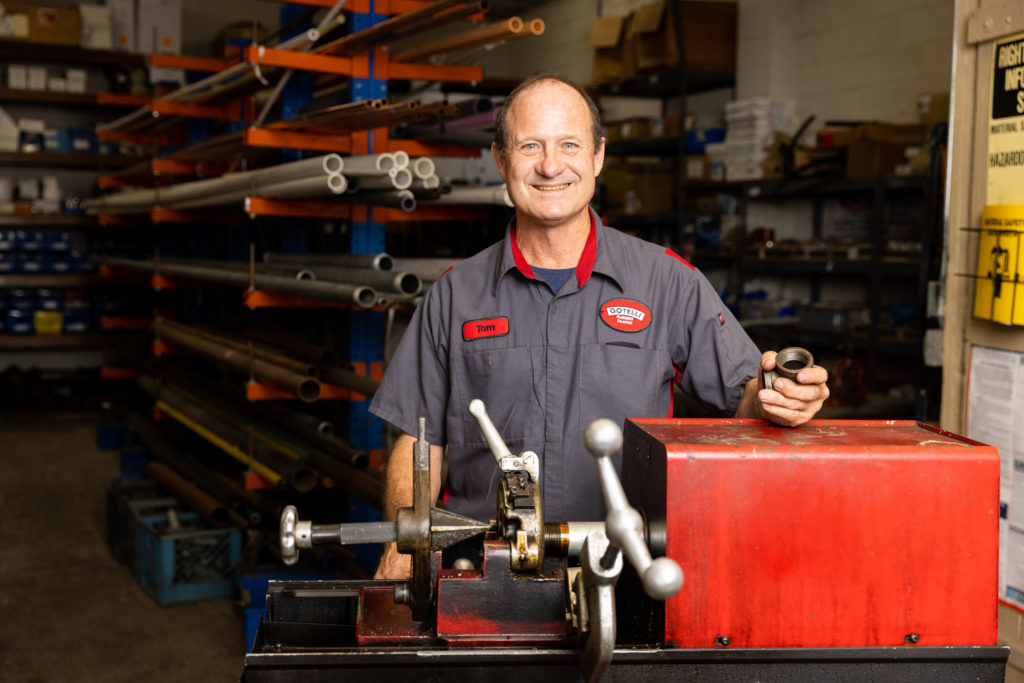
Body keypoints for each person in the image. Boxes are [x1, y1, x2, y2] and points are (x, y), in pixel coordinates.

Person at [369, 73, 829, 580]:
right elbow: (419, 440)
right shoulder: (454, 295)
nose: (550, 166)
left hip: (625, 568)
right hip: (481, 573)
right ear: (501, 160)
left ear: (597, 157)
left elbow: (741, 397)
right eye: (530, 146)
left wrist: (779, 397)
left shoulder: (666, 281)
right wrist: (403, 539)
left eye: (569, 144)